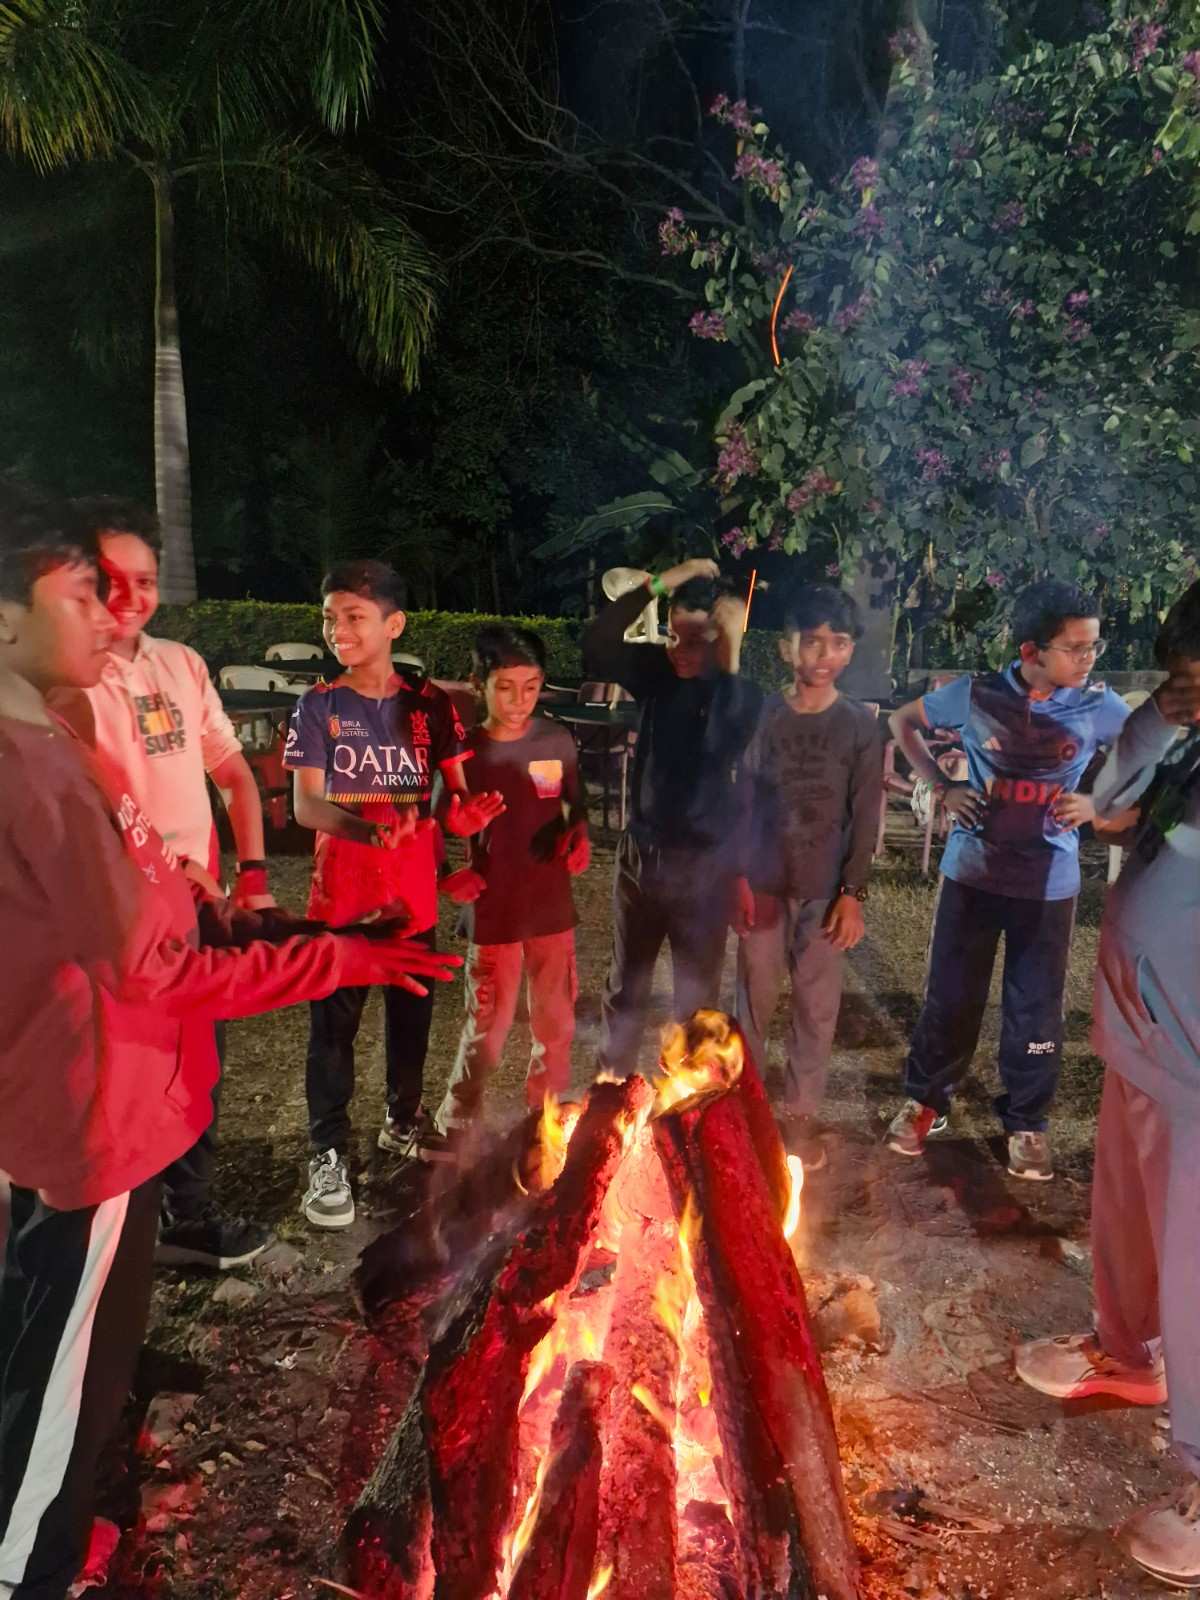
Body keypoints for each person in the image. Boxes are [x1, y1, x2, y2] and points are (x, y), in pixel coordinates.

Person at [0, 493, 459, 1600]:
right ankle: (29, 1565)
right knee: (60, 1367)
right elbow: (156, 968)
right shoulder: (35, 767)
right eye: (85, 596)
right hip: (87, 1109)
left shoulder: (56, 735)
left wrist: (241, 909)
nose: (115, 617)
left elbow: (148, 886)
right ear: (7, 618)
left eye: (124, 592)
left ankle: (65, 1507)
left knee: (66, 1334)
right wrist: (330, 959)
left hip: (98, 1093)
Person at [1014, 584, 1200, 1588]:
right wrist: (1164, 715)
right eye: (1183, 676)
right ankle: (1128, 1353)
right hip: (1144, 1035)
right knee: (1127, 1209)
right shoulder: (1186, 732)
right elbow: (1113, 793)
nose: (1189, 692)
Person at [51, 497, 274, 1271]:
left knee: (197, 1060)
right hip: (113, 919)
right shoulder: (59, 682)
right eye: (111, 579)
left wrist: (252, 880)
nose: (131, 597)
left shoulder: (180, 665)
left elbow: (233, 775)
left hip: (196, 910)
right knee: (119, 1077)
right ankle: (108, 1239)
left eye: (145, 581)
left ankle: (189, 1213)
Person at [885, 579, 1129, 1180]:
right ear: (1030, 651)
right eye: (1075, 647)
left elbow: (1146, 756)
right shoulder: (976, 695)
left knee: (1035, 1009)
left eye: (1094, 646)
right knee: (950, 997)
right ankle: (926, 1101)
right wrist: (942, 786)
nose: (1088, 658)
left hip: (1048, 886)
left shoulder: (1098, 705)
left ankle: (1026, 1122)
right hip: (972, 875)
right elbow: (903, 722)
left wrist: (1098, 803)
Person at [284, 559, 503, 1228]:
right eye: (330, 618)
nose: (337, 631)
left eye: (353, 617)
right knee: (334, 1032)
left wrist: (463, 827)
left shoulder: (431, 706)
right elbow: (306, 807)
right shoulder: (319, 705)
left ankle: (401, 1122)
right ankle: (328, 1153)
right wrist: (371, 830)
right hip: (342, 902)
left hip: (412, 901)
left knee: (412, 1022)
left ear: (393, 624)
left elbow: (457, 802)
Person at [583, 557, 762, 1074]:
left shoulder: (740, 695)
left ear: (721, 640)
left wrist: (729, 657)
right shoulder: (658, 676)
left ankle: (688, 1097)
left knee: (696, 998)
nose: (681, 651)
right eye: (674, 636)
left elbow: (725, 744)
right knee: (626, 988)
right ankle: (612, 1088)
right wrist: (665, 581)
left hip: (705, 869)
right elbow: (598, 641)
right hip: (642, 858)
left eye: (697, 641)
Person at [733, 586, 882, 1163]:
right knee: (753, 1003)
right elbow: (743, 800)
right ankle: (742, 1111)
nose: (824, 655)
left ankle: (799, 1117)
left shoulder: (859, 725)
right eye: (812, 641)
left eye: (838, 643)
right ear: (786, 648)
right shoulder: (763, 716)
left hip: (824, 896)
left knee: (816, 1010)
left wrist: (852, 893)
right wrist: (737, 879)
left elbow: (865, 816)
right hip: (764, 886)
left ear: (850, 650)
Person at [433, 625, 589, 1137]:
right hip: (494, 909)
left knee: (556, 1023)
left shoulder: (554, 740)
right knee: (489, 1028)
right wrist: (446, 873)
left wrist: (578, 832)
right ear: (478, 684)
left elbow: (572, 800)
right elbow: (436, 824)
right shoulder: (465, 754)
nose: (520, 700)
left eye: (531, 686)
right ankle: (459, 1116)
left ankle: (545, 1119)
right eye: (505, 687)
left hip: (551, 906)